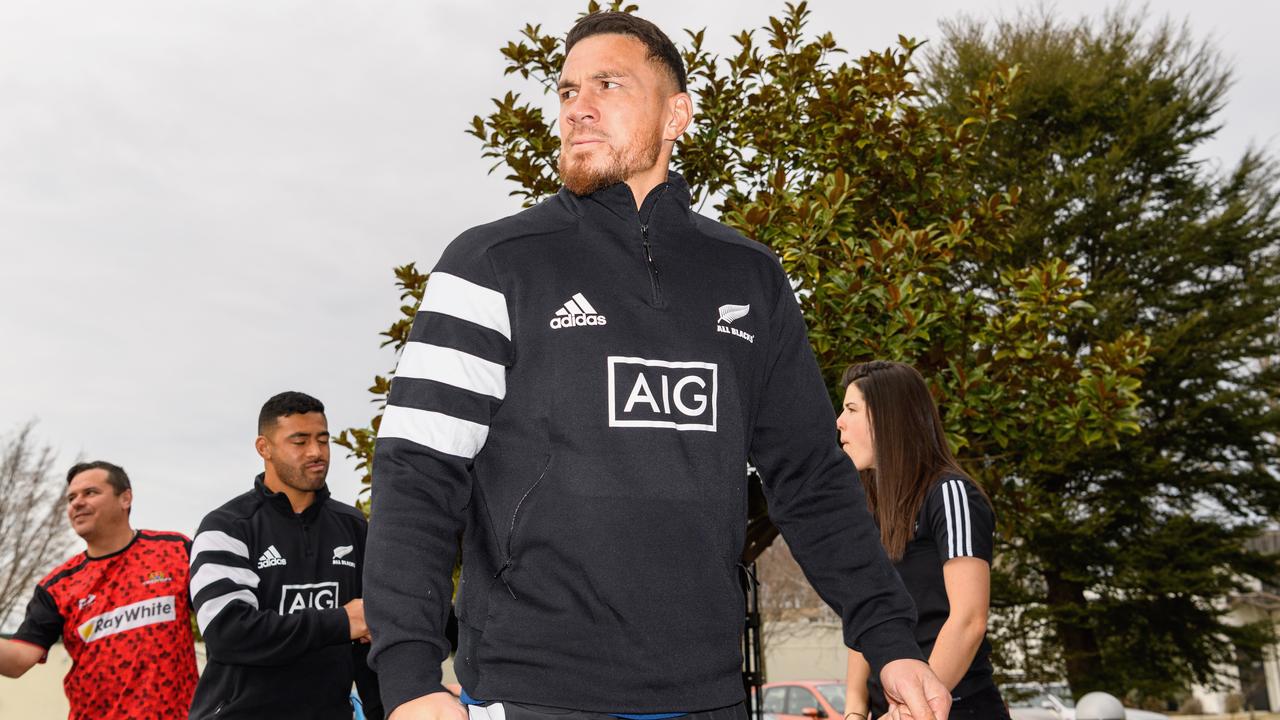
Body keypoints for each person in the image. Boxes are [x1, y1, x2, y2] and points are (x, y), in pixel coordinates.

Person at [365, 11, 950, 720]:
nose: (578, 106)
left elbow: (811, 477)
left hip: (709, 695)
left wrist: (890, 639)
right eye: (567, 90)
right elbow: (417, 471)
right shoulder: (491, 264)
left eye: (607, 84)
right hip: (532, 691)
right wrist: (409, 681)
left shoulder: (750, 276)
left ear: (677, 114)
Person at [188, 391, 383, 719]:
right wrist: (339, 621)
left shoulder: (352, 526)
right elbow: (228, 632)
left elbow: (371, 637)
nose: (316, 452)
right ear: (264, 448)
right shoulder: (226, 527)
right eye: (299, 441)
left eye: (323, 440)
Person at [836, 361, 1009, 720]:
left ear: (888, 419)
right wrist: (854, 710)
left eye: (851, 409)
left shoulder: (950, 495)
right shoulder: (868, 510)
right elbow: (868, 614)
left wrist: (913, 711)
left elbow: (969, 620)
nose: (839, 421)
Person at [0, 461, 198, 719]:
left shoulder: (175, 551)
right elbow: (17, 660)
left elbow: (227, 619)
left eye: (90, 493)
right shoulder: (58, 586)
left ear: (125, 498)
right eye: (71, 497)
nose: (77, 503)